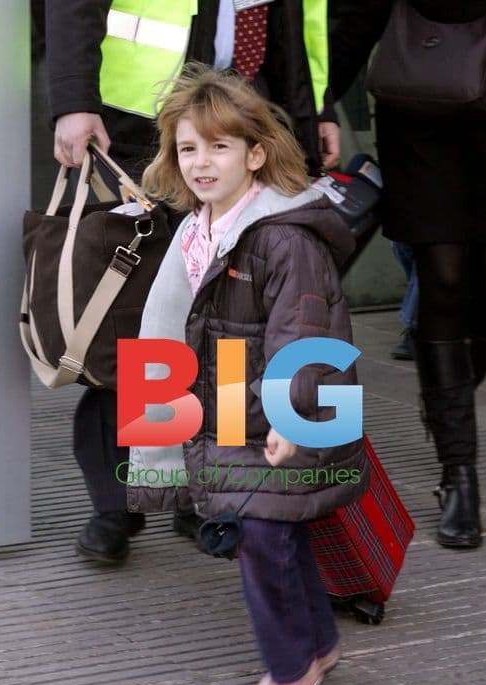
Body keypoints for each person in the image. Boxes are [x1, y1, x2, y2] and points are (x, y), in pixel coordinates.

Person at [44, 0, 342, 565]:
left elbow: (299, 20)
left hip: (247, 121)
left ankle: (203, 491)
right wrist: (74, 99)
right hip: (140, 124)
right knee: (134, 322)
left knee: (230, 325)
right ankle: (117, 500)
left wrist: (315, 111)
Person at [126, 65, 369, 685]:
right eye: (188, 148)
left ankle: (287, 672)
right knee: (277, 530)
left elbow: (305, 327)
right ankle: (317, 648)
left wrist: (292, 412)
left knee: (262, 535)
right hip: (236, 403)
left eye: (220, 146)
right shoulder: (198, 229)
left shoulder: (284, 235)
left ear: (256, 153)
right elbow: (176, 327)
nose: (202, 162)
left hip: (296, 403)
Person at [328, 0, 486, 548]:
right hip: (422, 119)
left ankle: (450, 390)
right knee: (442, 281)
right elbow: (356, 21)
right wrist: (321, 103)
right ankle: (458, 472)